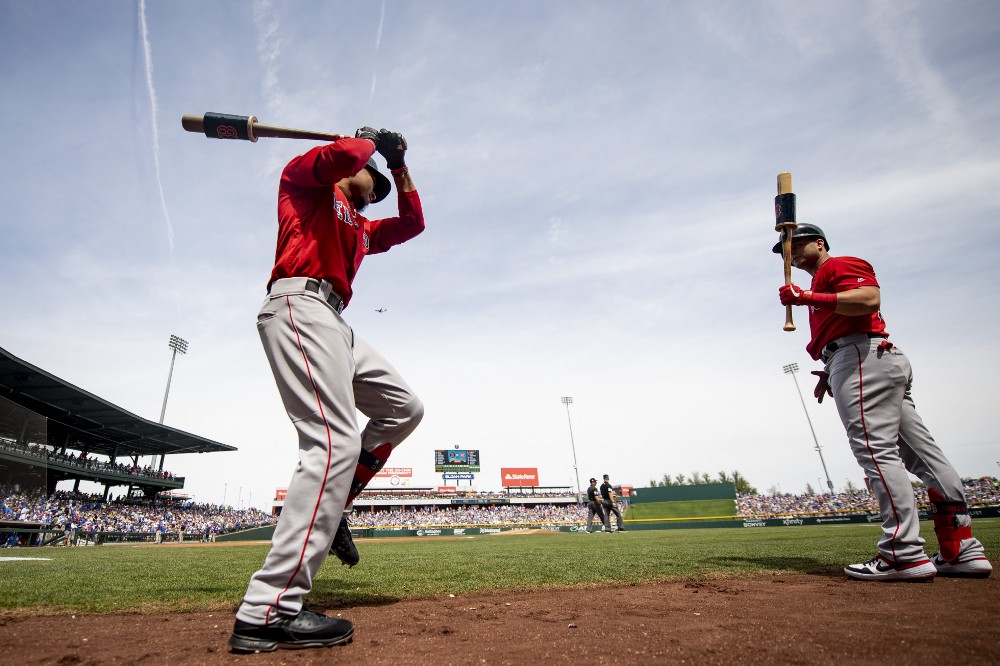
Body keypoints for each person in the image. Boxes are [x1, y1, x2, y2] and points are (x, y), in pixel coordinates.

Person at [229, 127, 426, 653]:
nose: (377, 189)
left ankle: (339, 506)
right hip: (299, 302)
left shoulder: (361, 228)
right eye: (374, 179)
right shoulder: (304, 185)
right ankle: (267, 610)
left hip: (335, 320)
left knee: (404, 408)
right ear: (351, 167)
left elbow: (413, 223)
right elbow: (342, 155)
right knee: (334, 442)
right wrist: (365, 140)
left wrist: (399, 164)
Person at [777, 224, 992, 581]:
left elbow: (868, 299)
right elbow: (849, 322)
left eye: (797, 244)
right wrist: (830, 370)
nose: (791, 252)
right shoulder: (821, 280)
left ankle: (903, 553)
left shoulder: (838, 265)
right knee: (925, 457)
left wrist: (806, 298)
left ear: (820, 243)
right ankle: (960, 549)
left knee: (876, 451)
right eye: (786, 249)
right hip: (866, 357)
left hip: (861, 357)